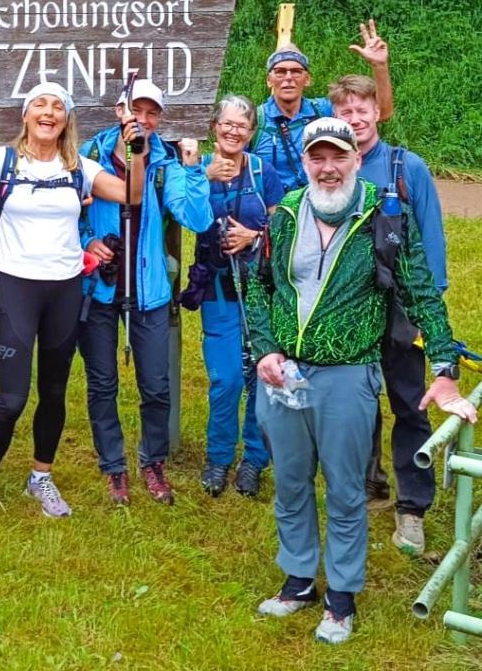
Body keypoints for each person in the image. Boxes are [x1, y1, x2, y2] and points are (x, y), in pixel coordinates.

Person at [247, 117, 475, 645]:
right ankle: (299, 580)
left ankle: (342, 597)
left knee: (347, 490)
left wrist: (444, 369)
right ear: (306, 162)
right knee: (290, 483)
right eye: (317, 158)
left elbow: (420, 292)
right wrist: (265, 349)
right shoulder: (286, 214)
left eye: (338, 157)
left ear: (355, 158)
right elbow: (259, 287)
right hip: (282, 375)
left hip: (347, 377)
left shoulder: (384, 215)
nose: (328, 168)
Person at [0, 82, 143, 534]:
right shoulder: (2, 161)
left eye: (57, 107)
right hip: (15, 285)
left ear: (66, 120)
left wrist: (137, 149)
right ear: (26, 115)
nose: (49, 113)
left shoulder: (81, 169)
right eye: (40, 105)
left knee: (53, 392)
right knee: (12, 398)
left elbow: (131, 193)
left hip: (65, 287)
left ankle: (41, 476)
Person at [77, 78, 215, 506]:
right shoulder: (90, 156)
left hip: (149, 289)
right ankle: (113, 467)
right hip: (99, 289)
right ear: (120, 112)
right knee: (102, 384)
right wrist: (87, 240)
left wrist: (193, 168)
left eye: (153, 112)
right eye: (137, 110)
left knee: (156, 385)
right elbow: (66, 210)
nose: (144, 119)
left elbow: (196, 219)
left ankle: (152, 462)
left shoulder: (165, 162)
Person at [329, 74, 447, 555]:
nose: (355, 119)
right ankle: (366, 485)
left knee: (409, 404)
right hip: (353, 308)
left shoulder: (406, 166)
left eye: (363, 110)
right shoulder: (333, 168)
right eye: (346, 112)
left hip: (402, 308)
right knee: (357, 403)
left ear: (378, 112)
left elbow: (432, 239)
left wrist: (428, 310)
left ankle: (412, 507)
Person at [182, 95, 284, 499]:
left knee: (262, 376)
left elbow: (285, 226)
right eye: (226, 123)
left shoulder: (263, 172)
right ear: (214, 127)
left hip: (261, 291)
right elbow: (183, 214)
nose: (233, 131)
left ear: (252, 132)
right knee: (225, 378)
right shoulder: (199, 170)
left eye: (242, 125)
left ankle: (255, 459)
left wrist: (254, 236)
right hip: (218, 288)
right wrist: (202, 176)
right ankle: (219, 458)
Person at [251, 21, 393, 192]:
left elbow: (382, 113)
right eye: (280, 72)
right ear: (269, 80)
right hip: (274, 207)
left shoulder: (322, 110)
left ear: (307, 79)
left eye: (296, 71)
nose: (288, 77)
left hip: (323, 201)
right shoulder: (255, 120)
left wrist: (380, 66)